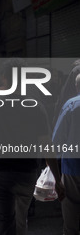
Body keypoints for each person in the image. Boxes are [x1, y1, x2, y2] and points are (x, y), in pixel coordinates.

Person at [0, 65, 64, 235]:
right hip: (27, 173)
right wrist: (58, 179)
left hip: (1, 172)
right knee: (21, 219)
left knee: (5, 223)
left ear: (4, 78)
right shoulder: (36, 106)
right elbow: (47, 146)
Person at [52, 73, 80, 235]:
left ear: (76, 87)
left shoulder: (71, 105)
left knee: (70, 222)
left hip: (72, 168)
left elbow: (56, 141)